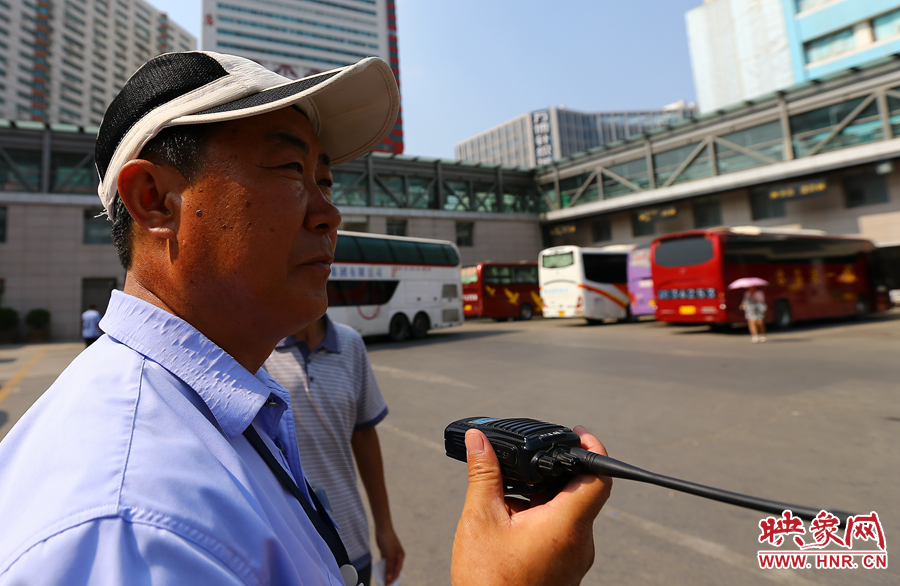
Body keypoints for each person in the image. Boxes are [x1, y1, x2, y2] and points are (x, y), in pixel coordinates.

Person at [0, 51, 611, 586]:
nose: (330, 214)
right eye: (291, 170)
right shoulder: (128, 523)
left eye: (325, 179)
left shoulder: (223, 399)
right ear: (155, 200)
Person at [265, 315, 404, 585]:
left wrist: (385, 526)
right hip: (292, 551)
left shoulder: (350, 343)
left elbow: (363, 435)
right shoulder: (258, 347)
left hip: (350, 540)